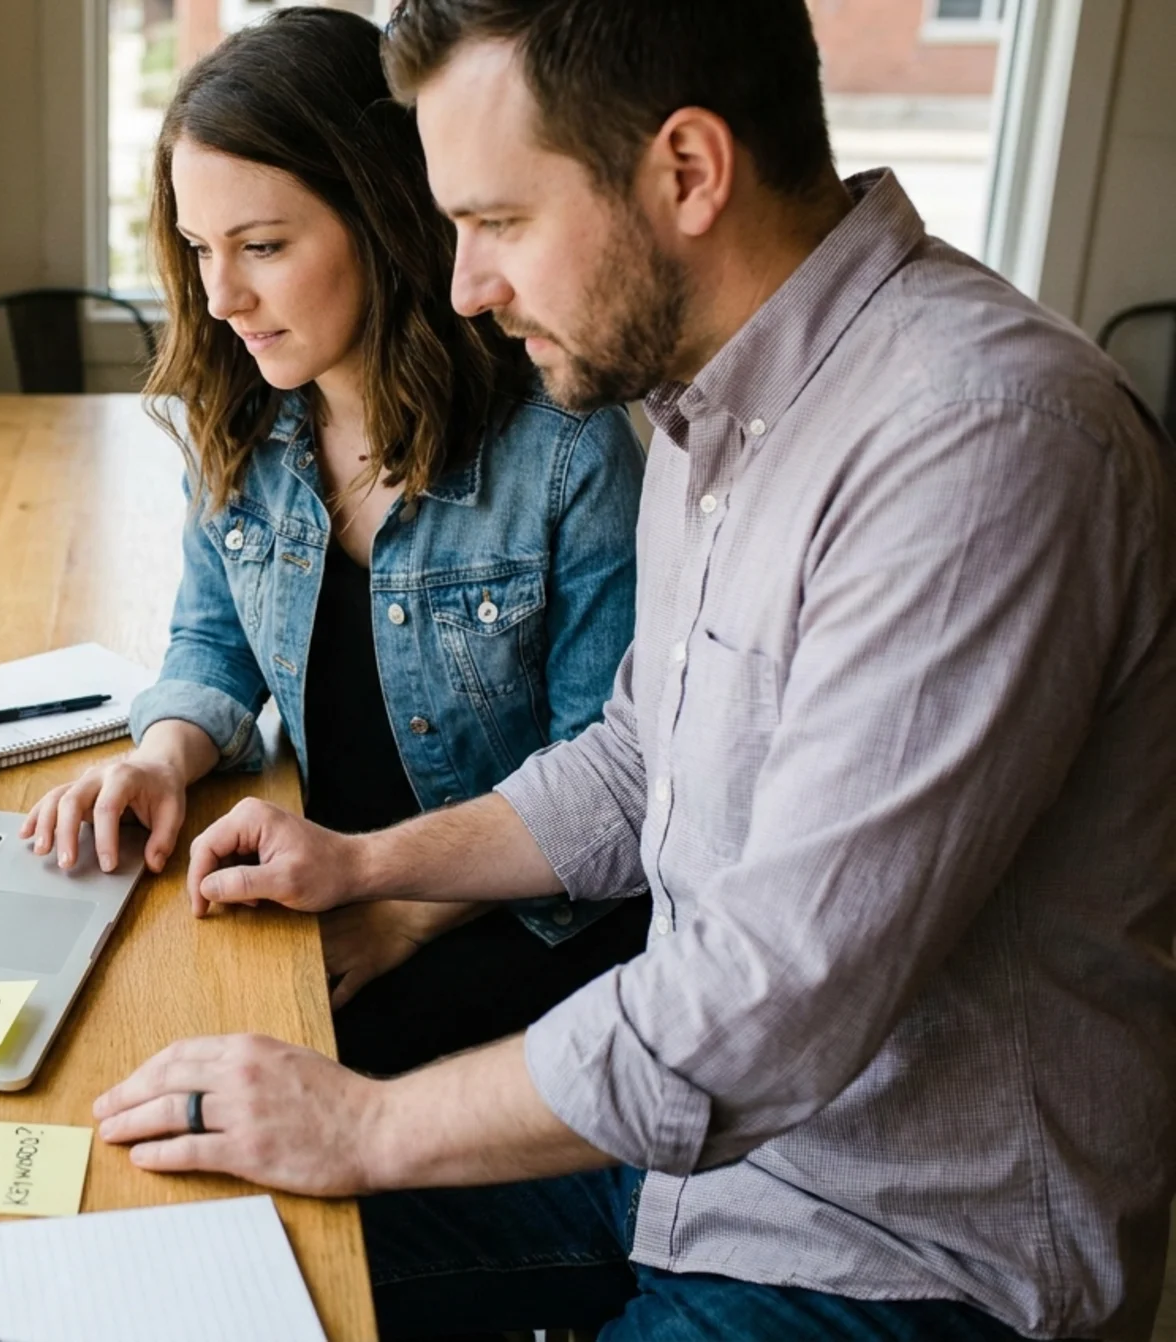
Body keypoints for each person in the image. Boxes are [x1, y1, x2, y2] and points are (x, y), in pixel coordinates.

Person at [88, 2, 1176, 1339]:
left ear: (688, 172)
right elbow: (632, 762)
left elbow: (767, 1001)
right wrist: (367, 861)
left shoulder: (980, 444)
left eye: (498, 221)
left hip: (898, 1254)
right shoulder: (710, 406)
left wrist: (361, 1120)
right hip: (690, 1173)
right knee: (169, 1249)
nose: (467, 281)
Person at [20, 6, 648, 1074]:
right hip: (327, 880)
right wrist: (161, 759)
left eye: (262, 247)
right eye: (198, 250)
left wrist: (400, 905)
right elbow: (211, 643)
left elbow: (606, 792)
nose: (220, 298)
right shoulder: (247, 420)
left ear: (384, 217)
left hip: (520, 937)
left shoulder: (566, 456)